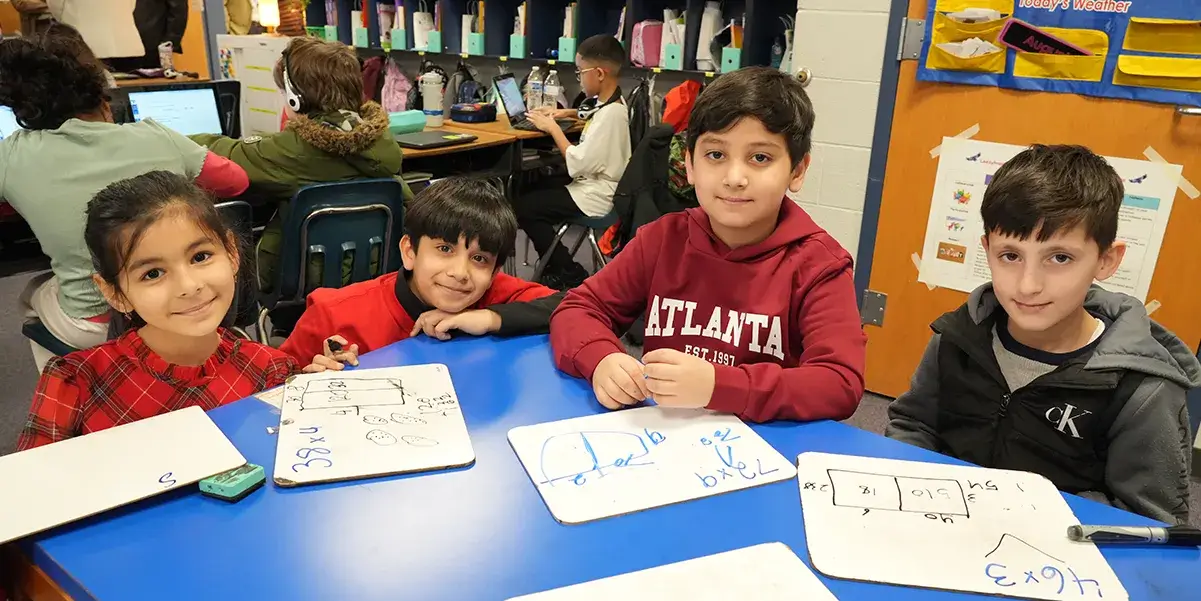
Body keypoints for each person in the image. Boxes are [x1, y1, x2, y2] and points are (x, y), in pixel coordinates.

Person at [886, 145, 1200, 524]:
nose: (1028, 285)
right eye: (1010, 256)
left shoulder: (1140, 389)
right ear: (987, 250)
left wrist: (1019, 517)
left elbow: (1150, 520)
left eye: (1060, 258)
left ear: (1106, 259)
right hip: (941, 527)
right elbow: (913, 425)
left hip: (1057, 561)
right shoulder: (957, 337)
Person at [548, 67, 867, 423]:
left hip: (763, 450)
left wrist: (719, 385)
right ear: (689, 164)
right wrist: (601, 359)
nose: (734, 178)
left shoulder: (818, 264)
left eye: (760, 158)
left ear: (797, 171)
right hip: (665, 440)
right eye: (715, 155)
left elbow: (840, 382)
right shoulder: (662, 239)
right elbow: (578, 308)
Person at [15, 172, 342, 450]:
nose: (188, 286)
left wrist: (315, 399)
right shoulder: (75, 382)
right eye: (152, 274)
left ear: (231, 253)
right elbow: (32, 495)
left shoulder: (271, 371)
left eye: (200, 257)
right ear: (115, 294)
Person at [0, 31, 248, 372]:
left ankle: (69, 385)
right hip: (180, 305)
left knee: (33, 293)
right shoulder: (156, 134)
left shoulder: (12, 154)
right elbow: (236, 181)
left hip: (95, 321)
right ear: (105, 102)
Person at [189, 35, 405, 295]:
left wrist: (169, 139)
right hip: (377, 276)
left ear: (295, 99)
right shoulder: (381, 144)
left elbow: (225, 152)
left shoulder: (289, 150)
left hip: (303, 281)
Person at [281, 178, 562, 369]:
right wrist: (308, 379)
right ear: (409, 252)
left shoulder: (494, 292)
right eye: (444, 249)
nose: (460, 272)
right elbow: (272, 386)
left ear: (494, 271)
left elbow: (577, 304)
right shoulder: (334, 314)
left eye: (479, 259)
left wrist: (488, 317)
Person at [514, 34, 632, 290]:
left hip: (598, 196)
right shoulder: (612, 103)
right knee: (532, 190)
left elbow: (577, 163)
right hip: (593, 184)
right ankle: (558, 264)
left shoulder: (612, 116)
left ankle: (566, 270)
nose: (578, 79)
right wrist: (565, 112)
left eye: (580, 72)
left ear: (599, 73)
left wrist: (552, 128)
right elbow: (593, 112)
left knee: (526, 207)